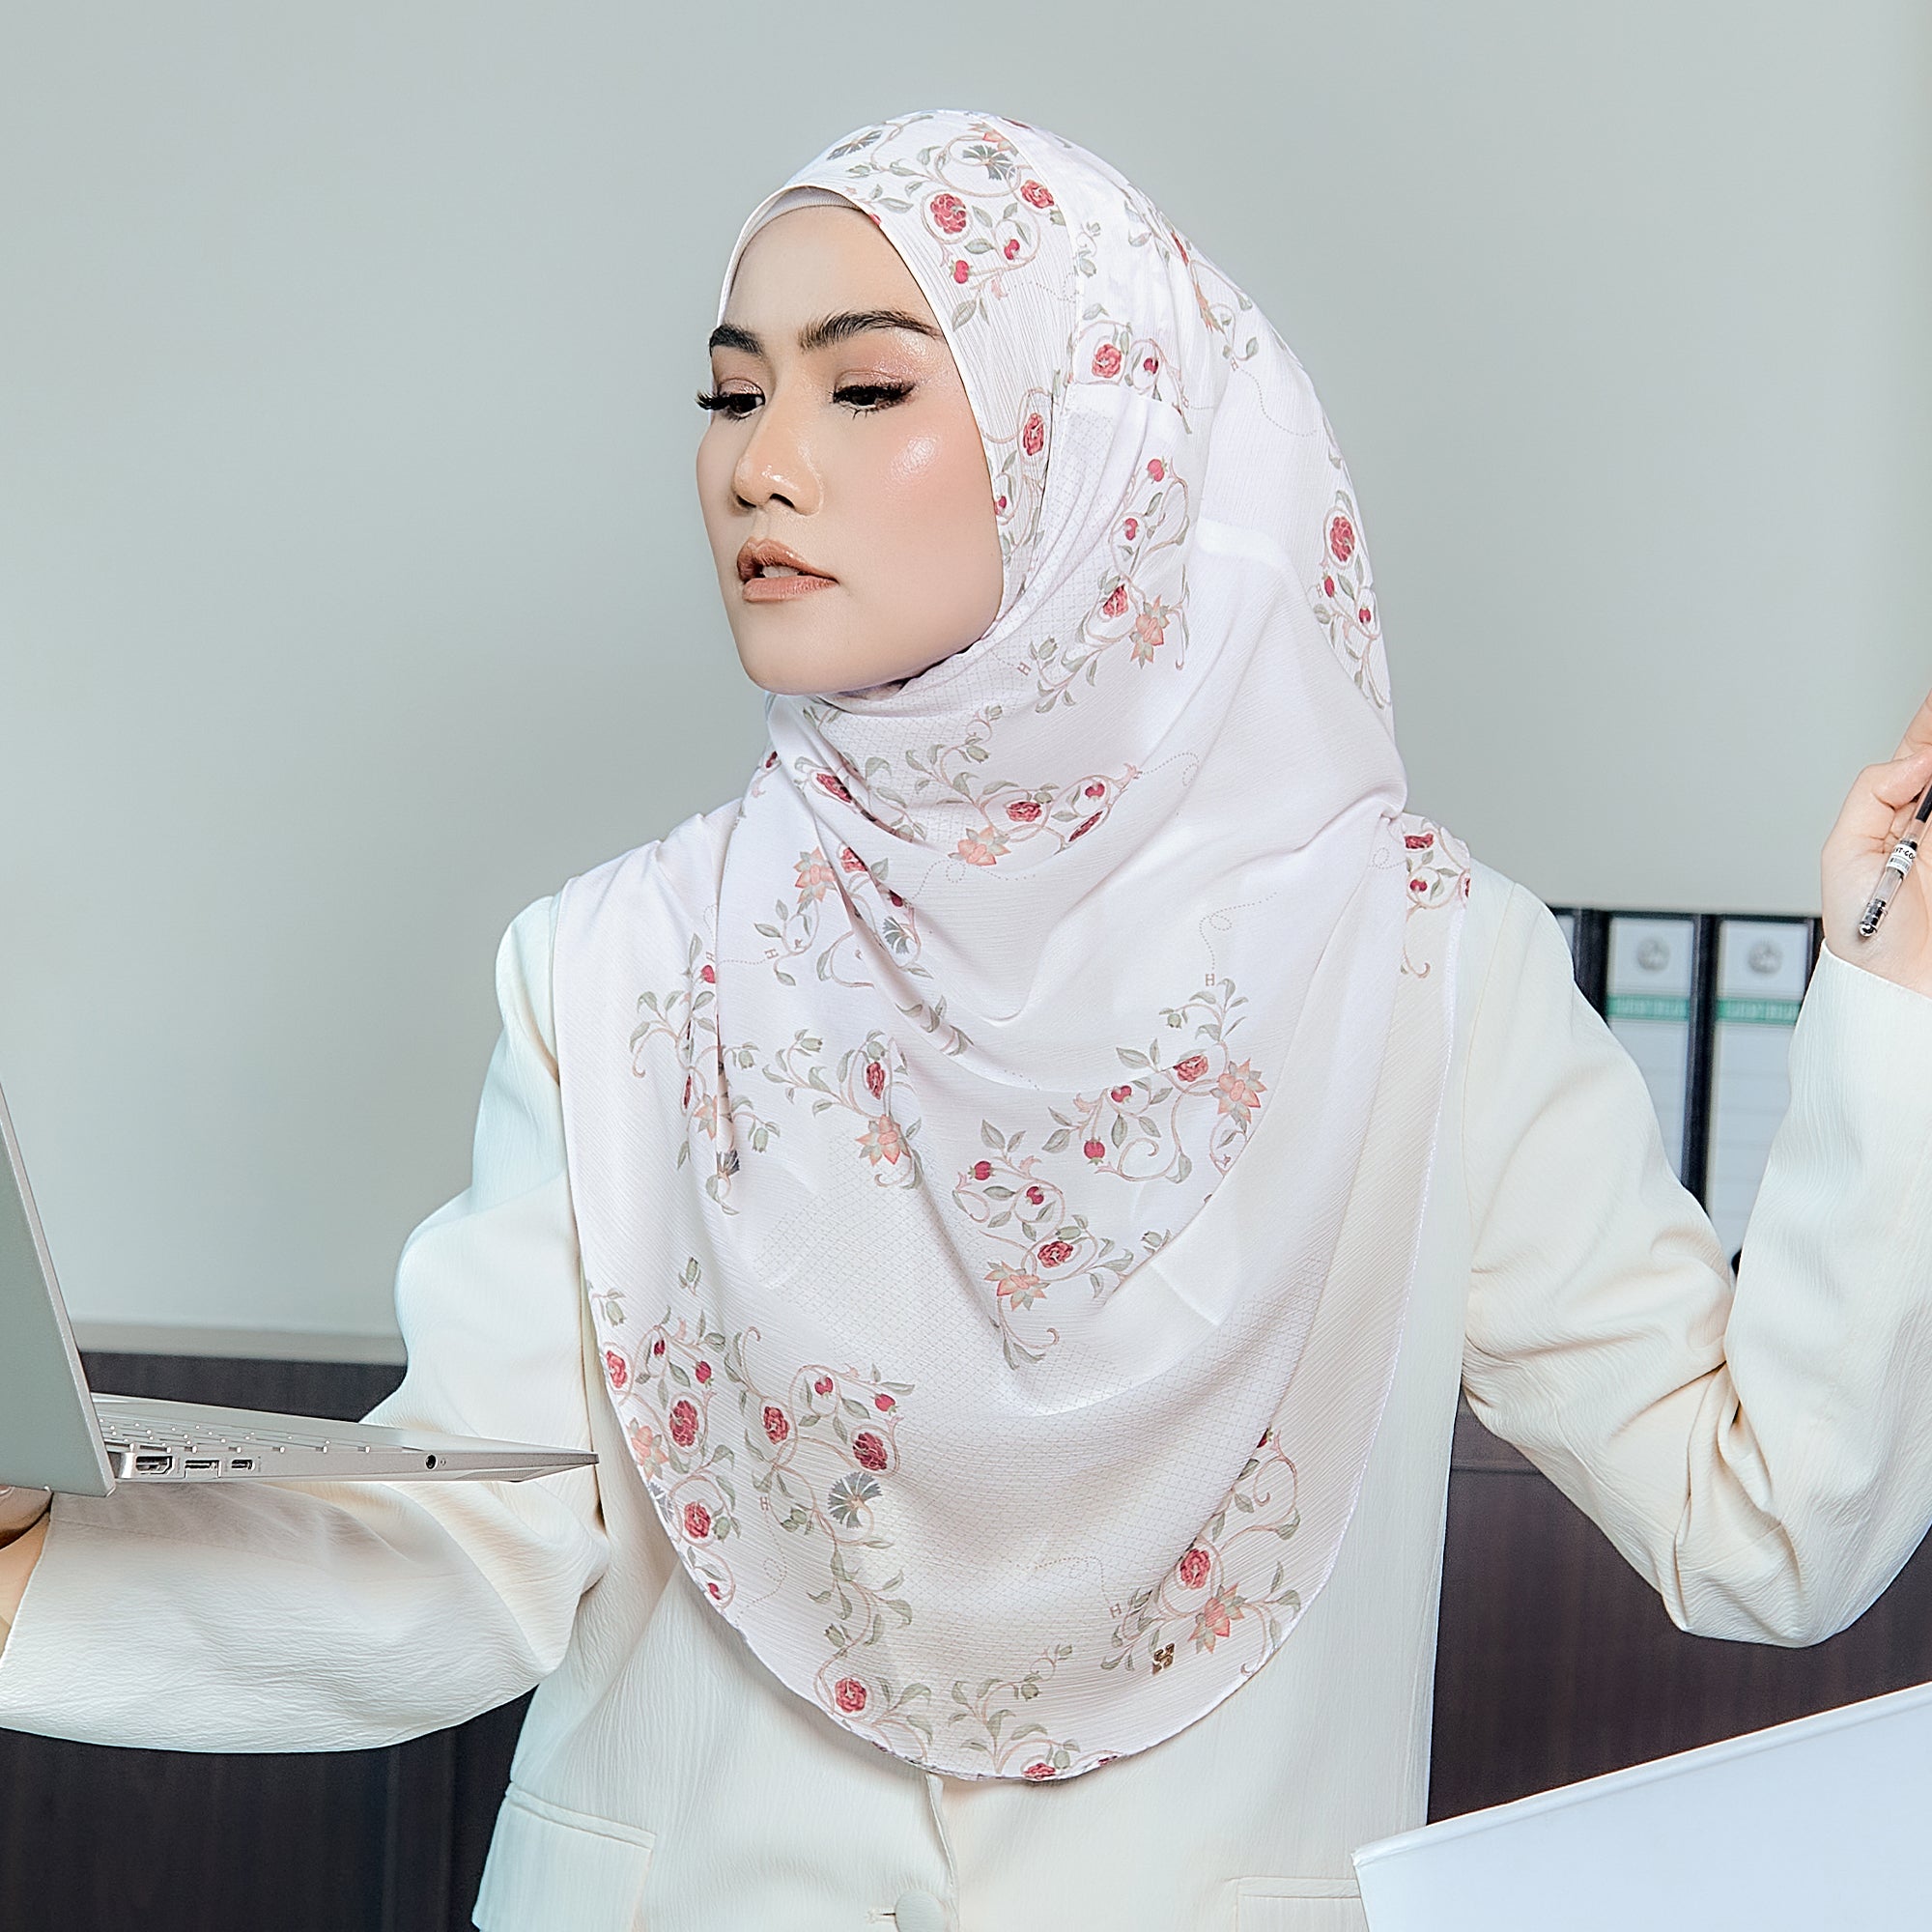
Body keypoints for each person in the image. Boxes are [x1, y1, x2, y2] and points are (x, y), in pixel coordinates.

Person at [5, 107, 1932, 1932]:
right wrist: (29, 1579)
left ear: (1098, 436)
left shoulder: (1425, 971)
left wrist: (1901, 994)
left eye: (864, 388)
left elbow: (1763, 1528)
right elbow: (476, 1552)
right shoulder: (616, 964)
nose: (762, 464)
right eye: (733, 394)